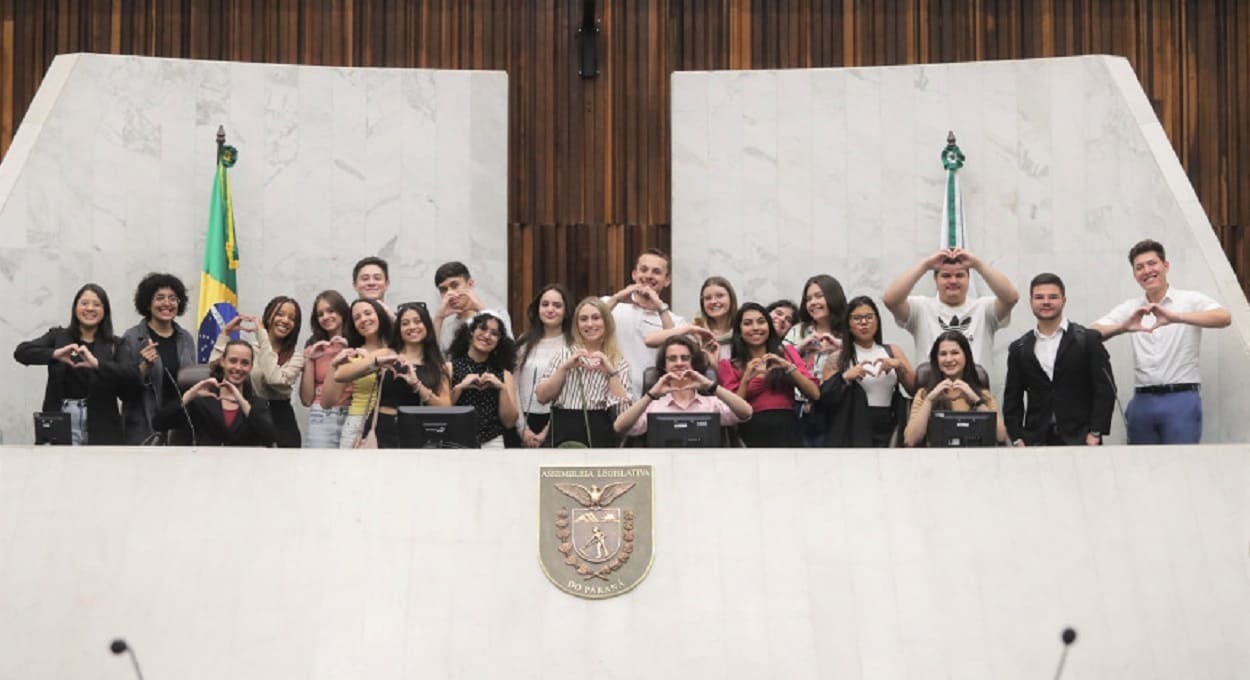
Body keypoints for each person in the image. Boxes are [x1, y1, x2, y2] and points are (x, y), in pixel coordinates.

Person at [1090, 239, 1231, 444]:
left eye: (1152, 263)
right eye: (1139, 267)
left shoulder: (1189, 300)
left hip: (1181, 398)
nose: (1147, 270)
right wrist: (1123, 327)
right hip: (1142, 400)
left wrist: (1176, 317)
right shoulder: (1132, 307)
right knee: (1142, 468)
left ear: (1165, 266)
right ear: (1135, 275)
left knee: (1181, 465)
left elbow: (1224, 317)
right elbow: (1090, 334)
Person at [14, 283, 138, 445]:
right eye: (84, 303)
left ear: (105, 310)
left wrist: (98, 364)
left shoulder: (116, 344)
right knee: (59, 469)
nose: (90, 308)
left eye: (96, 304)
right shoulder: (58, 336)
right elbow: (22, 352)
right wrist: (54, 353)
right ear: (75, 308)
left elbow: (133, 376)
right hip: (61, 418)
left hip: (102, 423)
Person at [1004, 273, 1116, 446]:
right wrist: (1017, 437)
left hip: (1082, 438)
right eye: (1039, 297)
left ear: (1063, 301)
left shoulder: (1088, 340)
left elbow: (1105, 389)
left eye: (1053, 297)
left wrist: (1095, 432)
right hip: (1036, 440)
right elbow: (1012, 398)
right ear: (1031, 302)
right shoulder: (1019, 348)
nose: (1046, 302)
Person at [882, 247, 1019, 366]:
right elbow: (890, 300)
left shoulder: (984, 309)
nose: (953, 281)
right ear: (935, 279)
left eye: (959, 275)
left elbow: (1011, 297)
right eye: (946, 276)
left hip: (976, 394)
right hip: (931, 395)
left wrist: (978, 264)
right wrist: (925, 265)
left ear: (968, 279)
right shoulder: (921, 308)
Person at [535, 297, 634, 447]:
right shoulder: (563, 355)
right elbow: (542, 397)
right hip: (563, 432)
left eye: (596, 318)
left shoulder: (619, 363)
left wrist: (611, 374)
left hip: (600, 433)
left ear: (606, 322)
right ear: (577, 325)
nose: (590, 324)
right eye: (583, 319)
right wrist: (564, 368)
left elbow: (623, 417)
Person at [818, 296, 915, 447]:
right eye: (857, 318)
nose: (864, 323)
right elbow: (824, 398)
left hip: (889, 422)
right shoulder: (838, 357)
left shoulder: (893, 351)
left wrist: (899, 365)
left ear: (877, 321)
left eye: (869, 317)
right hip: (853, 425)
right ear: (848, 324)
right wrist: (845, 377)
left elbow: (915, 389)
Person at [718, 302, 819, 447]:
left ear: (769, 327)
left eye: (761, 322)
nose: (755, 328)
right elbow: (735, 412)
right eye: (748, 323)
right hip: (751, 430)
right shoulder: (728, 365)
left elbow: (814, 394)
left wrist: (788, 367)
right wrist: (746, 378)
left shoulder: (787, 353)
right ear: (739, 331)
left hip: (788, 429)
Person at [614, 335, 752, 439]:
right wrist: (650, 395)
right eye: (672, 359)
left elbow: (746, 412)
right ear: (664, 366)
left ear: (693, 363)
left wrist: (711, 386)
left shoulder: (712, 404)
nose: (679, 363)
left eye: (685, 358)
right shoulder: (653, 406)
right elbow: (619, 426)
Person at [211, 296, 305, 448]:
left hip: (281, 419)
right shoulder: (251, 349)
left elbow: (274, 378)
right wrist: (225, 333)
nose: (285, 320)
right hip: (251, 414)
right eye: (280, 314)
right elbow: (216, 369)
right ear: (268, 316)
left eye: (292, 318)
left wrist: (263, 336)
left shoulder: (297, 357)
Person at [118, 273, 198, 444]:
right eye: (159, 298)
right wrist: (144, 368)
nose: (167, 303)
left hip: (180, 428)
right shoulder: (132, 338)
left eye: (172, 298)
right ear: (148, 303)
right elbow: (123, 391)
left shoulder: (186, 339)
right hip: (144, 427)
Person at [155, 339, 276, 446]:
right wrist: (190, 394)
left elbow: (270, 438)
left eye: (244, 363)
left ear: (250, 367)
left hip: (242, 468)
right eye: (233, 361)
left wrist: (241, 401)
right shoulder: (201, 401)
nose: (238, 368)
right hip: (206, 466)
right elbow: (159, 423)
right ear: (222, 362)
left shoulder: (257, 404)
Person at [603, 248, 685, 400]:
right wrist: (618, 297)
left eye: (656, 272)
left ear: (667, 280)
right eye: (644, 270)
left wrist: (660, 306)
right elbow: (588, 321)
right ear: (634, 274)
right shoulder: (611, 305)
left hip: (654, 400)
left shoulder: (676, 321)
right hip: (609, 397)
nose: (648, 276)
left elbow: (675, 346)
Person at [903, 331, 1006, 447]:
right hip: (935, 461)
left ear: (966, 356)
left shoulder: (983, 395)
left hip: (976, 459)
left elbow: (1001, 436)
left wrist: (976, 400)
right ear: (936, 359)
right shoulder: (923, 394)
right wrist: (929, 400)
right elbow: (910, 441)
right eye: (943, 354)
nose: (948, 359)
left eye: (955, 353)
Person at [372, 302, 452, 447]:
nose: (412, 327)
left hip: (419, 429)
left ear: (426, 325)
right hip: (384, 428)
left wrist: (417, 385)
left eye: (417, 321)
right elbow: (346, 372)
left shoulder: (437, 365)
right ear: (399, 329)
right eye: (405, 323)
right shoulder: (387, 355)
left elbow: (445, 407)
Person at [784, 274, 848, 445]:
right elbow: (777, 360)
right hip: (799, 408)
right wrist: (800, 348)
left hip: (835, 406)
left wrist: (839, 348)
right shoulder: (798, 330)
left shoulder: (847, 331)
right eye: (808, 298)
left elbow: (861, 356)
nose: (813, 303)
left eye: (819, 296)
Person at [322, 298, 393, 448]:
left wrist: (370, 359)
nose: (364, 320)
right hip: (357, 422)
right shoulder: (353, 354)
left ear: (380, 315)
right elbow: (327, 402)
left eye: (368, 313)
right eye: (357, 318)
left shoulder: (397, 348)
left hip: (391, 421)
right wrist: (334, 365)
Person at [513, 284, 574, 447]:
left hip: (558, 420)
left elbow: (570, 391)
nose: (550, 309)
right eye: (545, 304)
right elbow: (514, 385)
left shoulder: (573, 344)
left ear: (567, 311)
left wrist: (547, 431)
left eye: (557, 305)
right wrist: (522, 429)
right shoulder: (524, 341)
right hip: (523, 420)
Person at [448, 312, 519, 448]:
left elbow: (510, 422)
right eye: (482, 328)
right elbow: (440, 411)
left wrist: (502, 388)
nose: (487, 336)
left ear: (498, 342)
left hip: (493, 441)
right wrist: (460, 387)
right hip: (455, 439)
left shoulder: (504, 374)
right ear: (471, 332)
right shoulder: (450, 367)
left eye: (494, 333)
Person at [300, 290, 353, 448]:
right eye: (320, 314)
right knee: (318, 468)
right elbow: (306, 399)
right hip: (321, 416)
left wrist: (346, 351)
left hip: (354, 415)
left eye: (331, 311)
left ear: (342, 311)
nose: (326, 317)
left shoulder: (357, 340)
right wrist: (310, 359)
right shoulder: (314, 344)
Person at [643, 276, 737, 364]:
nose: (713, 301)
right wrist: (689, 329)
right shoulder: (696, 331)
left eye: (720, 296)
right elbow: (650, 340)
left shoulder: (743, 328)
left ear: (731, 298)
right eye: (708, 298)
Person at [432, 261, 512, 352]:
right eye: (443, 290)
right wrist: (438, 318)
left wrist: (480, 309)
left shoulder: (498, 313)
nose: (450, 293)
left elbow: (509, 351)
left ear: (470, 284)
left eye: (455, 285)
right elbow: (432, 359)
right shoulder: (444, 324)